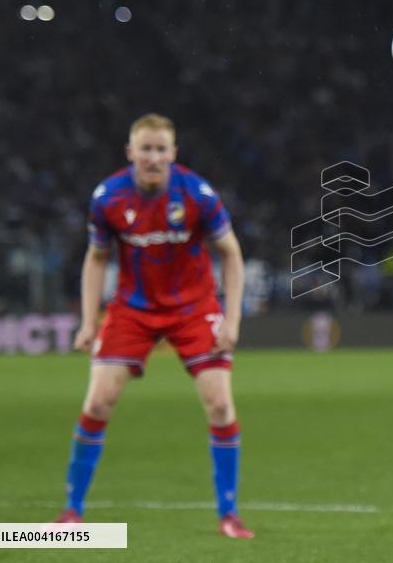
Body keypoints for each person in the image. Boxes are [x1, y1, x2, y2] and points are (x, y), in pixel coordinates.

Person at [53, 113, 254, 538]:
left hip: (194, 307)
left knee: (220, 405)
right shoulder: (108, 197)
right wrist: (89, 321)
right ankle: (72, 513)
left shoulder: (197, 194)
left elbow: (232, 255)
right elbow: (96, 258)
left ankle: (229, 516)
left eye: (161, 149)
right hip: (133, 308)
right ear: (131, 153)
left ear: (173, 153)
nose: (153, 157)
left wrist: (232, 319)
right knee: (98, 402)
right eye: (145, 149)